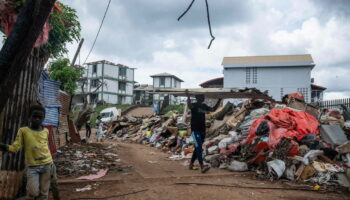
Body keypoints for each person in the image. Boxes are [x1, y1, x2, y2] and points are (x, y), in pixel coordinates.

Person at [0, 105, 54, 200]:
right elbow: (14, 148)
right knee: (33, 192)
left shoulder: (46, 131)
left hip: (47, 165)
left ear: (44, 118)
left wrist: (52, 164)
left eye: (40, 117)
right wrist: (3, 146)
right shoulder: (23, 131)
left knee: (44, 194)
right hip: (33, 167)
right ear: (29, 117)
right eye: (34, 116)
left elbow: (46, 147)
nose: (37, 119)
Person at [185, 90, 221, 173]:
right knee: (199, 148)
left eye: (203, 97)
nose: (202, 98)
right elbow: (189, 105)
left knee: (197, 148)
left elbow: (213, 109)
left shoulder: (204, 106)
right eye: (201, 97)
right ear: (197, 98)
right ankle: (202, 166)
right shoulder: (194, 105)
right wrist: (188, 96)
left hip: (202, 130)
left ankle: (191, 164)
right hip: (195, 130)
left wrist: (219, 100)